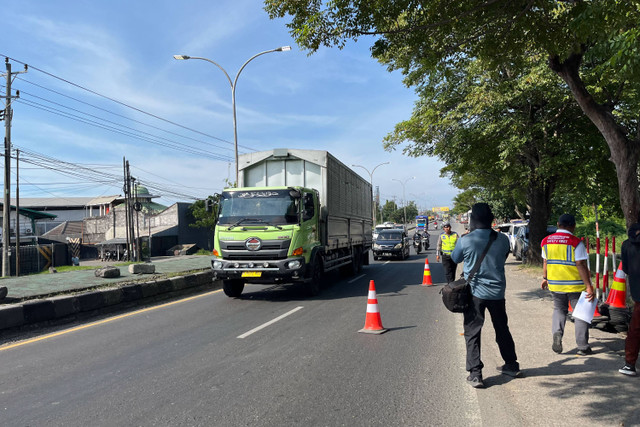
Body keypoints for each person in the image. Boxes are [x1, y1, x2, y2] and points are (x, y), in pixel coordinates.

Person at [451, 203, 520, 388]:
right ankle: (512, 365)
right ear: (491, 219)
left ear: (473, 220)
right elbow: (503, 257)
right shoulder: (503, 239)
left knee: (472, 332)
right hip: (498, 293)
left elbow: (455, 258)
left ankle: (475, 374)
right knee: (502, 329)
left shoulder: (466, 240)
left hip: (475, 294)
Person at [541, 214, 595, 356]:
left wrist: (545, 278)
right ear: (573, 226)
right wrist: (589, 285)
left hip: (555, 284)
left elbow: (546, 261)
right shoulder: (575, 242)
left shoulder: (546, 241)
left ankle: (557, 333)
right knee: (580, 314)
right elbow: (581, 264)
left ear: (558, 224)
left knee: (559, 309)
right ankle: (583, 347)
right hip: (575, 285)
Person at [619, 222, 640, 376]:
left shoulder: (627, 244)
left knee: (635, 329)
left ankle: (630, 364)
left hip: (638, 293)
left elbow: (625, 269)